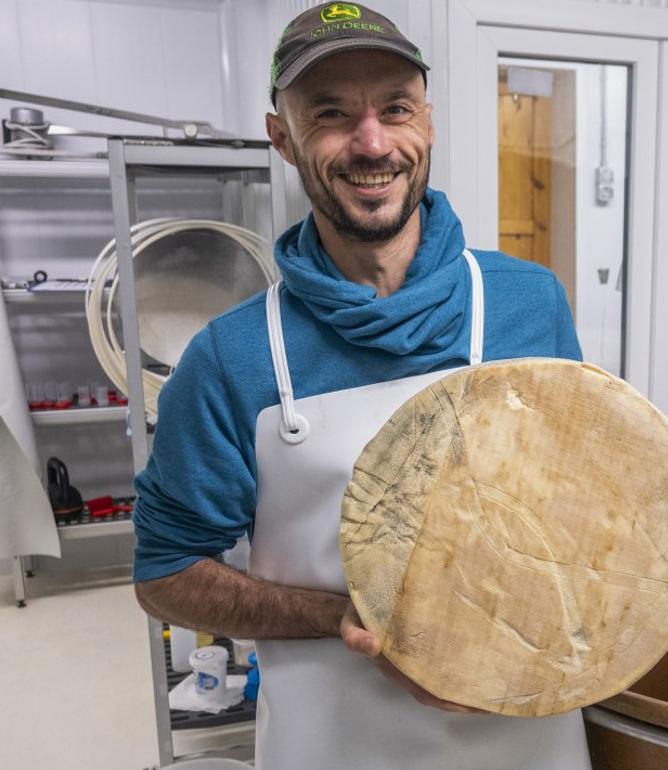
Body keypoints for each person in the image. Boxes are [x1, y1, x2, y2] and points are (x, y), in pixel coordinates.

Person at [130, 4, 600, 768]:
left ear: (429, 123)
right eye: (331, 115)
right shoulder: (232, 357)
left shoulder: (527, 302)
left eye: (395, 109)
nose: (372, 142)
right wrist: (349, 614)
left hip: (529, 740)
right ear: (281, 137)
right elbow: (164, 572)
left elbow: (570, 503)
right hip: (335, 740)